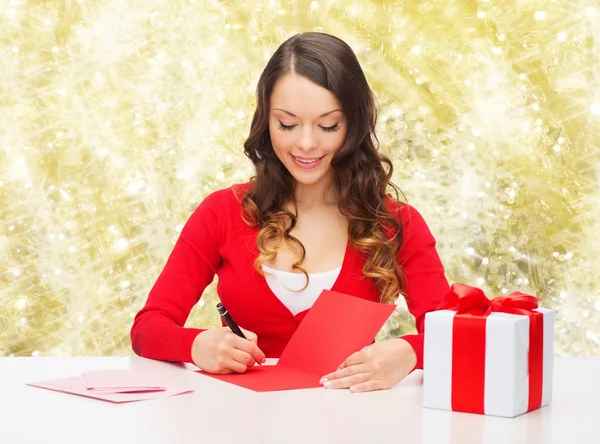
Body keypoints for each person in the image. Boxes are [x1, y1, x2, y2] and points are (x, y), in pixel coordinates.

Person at [131, 32, 450, 392]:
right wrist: (194, 345)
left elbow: (453, 334)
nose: (306, 143)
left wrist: (410, 352)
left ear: (354, 124)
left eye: (329, 125)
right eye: (287, 124)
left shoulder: (396, 223)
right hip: (244, 423)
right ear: (266, 122)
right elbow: (147, 328)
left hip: (353, 424)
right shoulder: (221, 212)